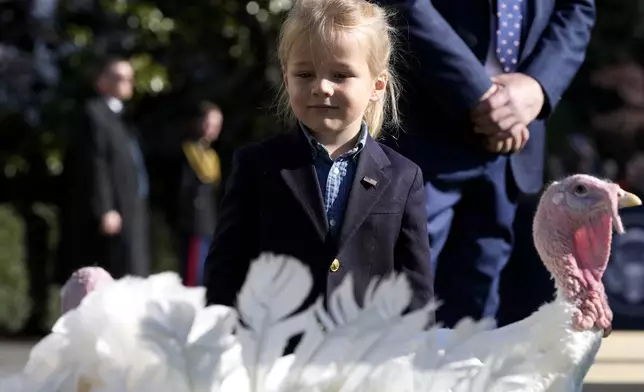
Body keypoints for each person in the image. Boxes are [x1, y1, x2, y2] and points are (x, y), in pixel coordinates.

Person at [205, 0, 432, 326]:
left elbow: (415, 290)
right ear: (286, 78)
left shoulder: (403, 177)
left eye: (340, 75)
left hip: (367, 362)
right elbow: (225, 273)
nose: (321, 87)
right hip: (275, 357)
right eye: (304, 74)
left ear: (376, 86)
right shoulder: (257, 166)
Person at [375, 0, 596, 327]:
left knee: (476, 326)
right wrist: (481, 95)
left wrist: (537, 88)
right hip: (422, 130)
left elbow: (575, 7)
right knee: (400, 310)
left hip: (511, 146)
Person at [74, 57, 150, 279]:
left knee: (135, 272)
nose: (126, 83)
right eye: (119, 78)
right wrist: (106, 208)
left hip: (133, 207)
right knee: (117, 273)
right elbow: (96, 164)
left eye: (129, 78)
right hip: (115, 211)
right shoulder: (95, 114)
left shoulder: (125, 119)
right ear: (101, 82)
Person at [177, 102, 223, 286]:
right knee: (193, 278)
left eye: (217, 125)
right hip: (194, 223)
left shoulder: (211, 155)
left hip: (210, 223)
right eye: (209, 123)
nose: (213, 129)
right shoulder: (188, 150)